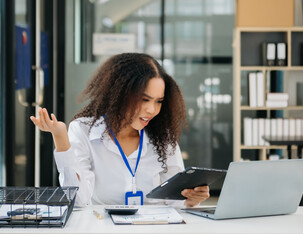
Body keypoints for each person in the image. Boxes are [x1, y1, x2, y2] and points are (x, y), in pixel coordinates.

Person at [30, 53, 209, 207]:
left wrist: (190, 199)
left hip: (153, 230)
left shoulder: (163, 137)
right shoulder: (83, 130)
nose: (152, 110)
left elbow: (175, 198)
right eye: (145, 99)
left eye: (158, 101)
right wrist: (60, 139)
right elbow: (78, 199)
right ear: (120, 93)